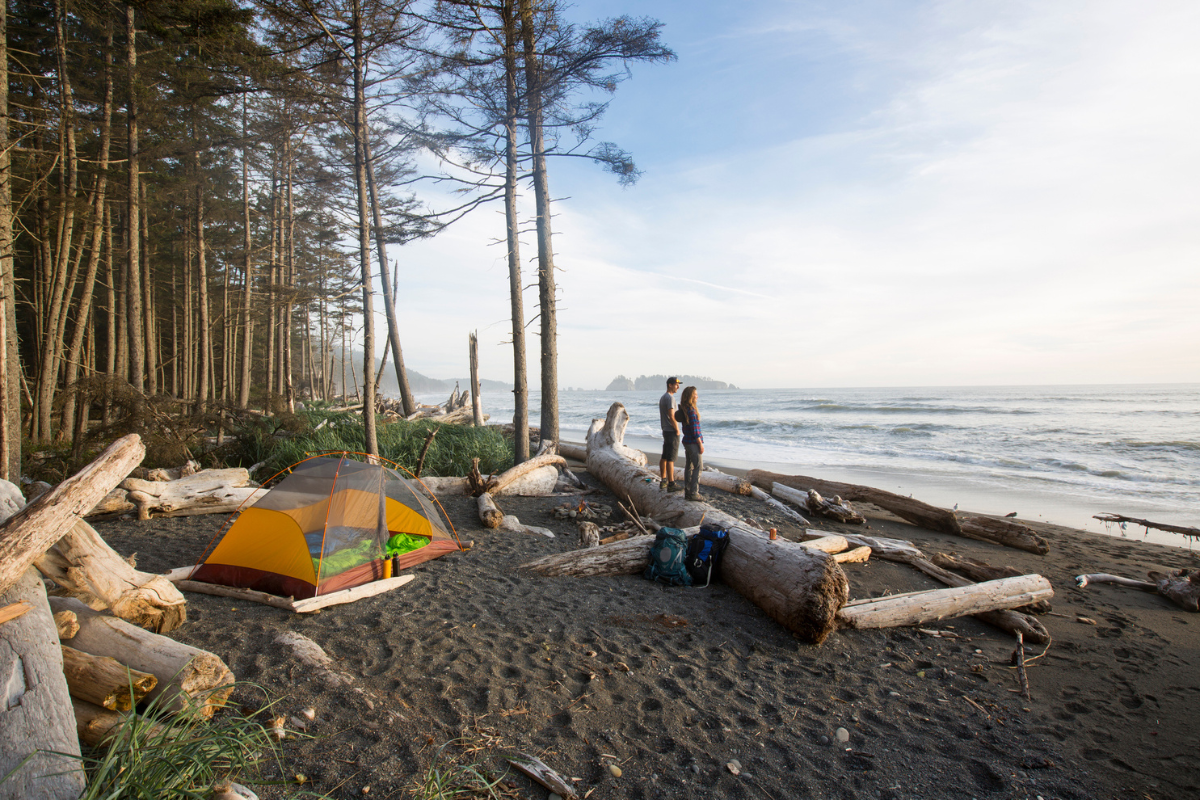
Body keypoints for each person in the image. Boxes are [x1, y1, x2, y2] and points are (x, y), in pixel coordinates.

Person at [679, 385, 704, 501]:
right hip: (693, 442)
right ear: (690, 397)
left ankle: (688, 492)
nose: (697, 397)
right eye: (695, 395)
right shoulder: (692, 411)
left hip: (686, 441)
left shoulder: (685, 409)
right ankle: (694, 492)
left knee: (689, 466)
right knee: (698, 466)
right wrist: (700, 444)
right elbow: (695, 430)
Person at [658, 377, 682, 492]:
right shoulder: (670, 398)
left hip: (665, 430)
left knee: (665, 456)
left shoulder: (663, 397)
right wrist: (677, 429)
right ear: (670, 385)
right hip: (671, 431)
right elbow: (672, 416)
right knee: (671, 458)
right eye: (676, 384)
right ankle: (671, 483)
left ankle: (663, 480)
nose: (678, 387)